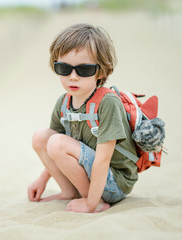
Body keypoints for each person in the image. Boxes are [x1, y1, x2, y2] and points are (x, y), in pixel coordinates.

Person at [27, 23, 138, 213]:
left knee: (56, 142)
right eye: (64, 68)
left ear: (101, 71)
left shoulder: (107, 103)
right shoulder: (64, 103)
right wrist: (42, 179)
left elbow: (103, 160)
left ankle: (90, 199)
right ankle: (69, 191)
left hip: (114, 182)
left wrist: (91, 203)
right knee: (42, 137)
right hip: (90, 175)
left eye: (84, 70)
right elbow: (54, 149)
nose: (73, 77)